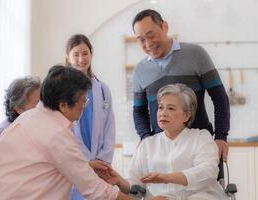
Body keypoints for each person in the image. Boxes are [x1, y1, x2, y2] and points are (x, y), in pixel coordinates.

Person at [0, 65, 135, 200]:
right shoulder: (57, 135)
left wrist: (86, 166)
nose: (84, 107)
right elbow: (96, 190)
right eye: (83, 102)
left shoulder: (30, 116)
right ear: (63, 105)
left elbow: (43, 163)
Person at [132, 9, 230, 161]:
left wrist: (221, 136)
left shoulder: (196, 54)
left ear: (165, 26)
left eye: (151, 35)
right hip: (161, 150)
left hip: (199, 147)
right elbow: (139, 111)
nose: (148, 44)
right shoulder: (140, 70)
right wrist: (145, 138)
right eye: (141, 39)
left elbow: (219, 98)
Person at [105, 84, 227, 200]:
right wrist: (119, 181)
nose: (163, 113)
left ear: (186, 115)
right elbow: (135, 186)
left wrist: (166, 178)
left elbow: (208, 171)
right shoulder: (147, 144)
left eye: (171, 108)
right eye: (160, 107)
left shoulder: (201, 137)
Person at [65, 34, 116, 200]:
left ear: (91, 54)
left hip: (100, 165)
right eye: (76, 54)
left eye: (85, 53)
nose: (81, 59)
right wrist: (86, 162)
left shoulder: (102, 89)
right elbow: (64, 129)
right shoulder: (62, 90)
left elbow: (110, 126)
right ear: (68, 58)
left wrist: (103, 160)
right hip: (73, 162)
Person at [0, 76, 41, 162]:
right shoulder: (5, 134)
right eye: (36, 104)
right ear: (19, 108)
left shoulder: (30, 125)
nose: (41, 108)